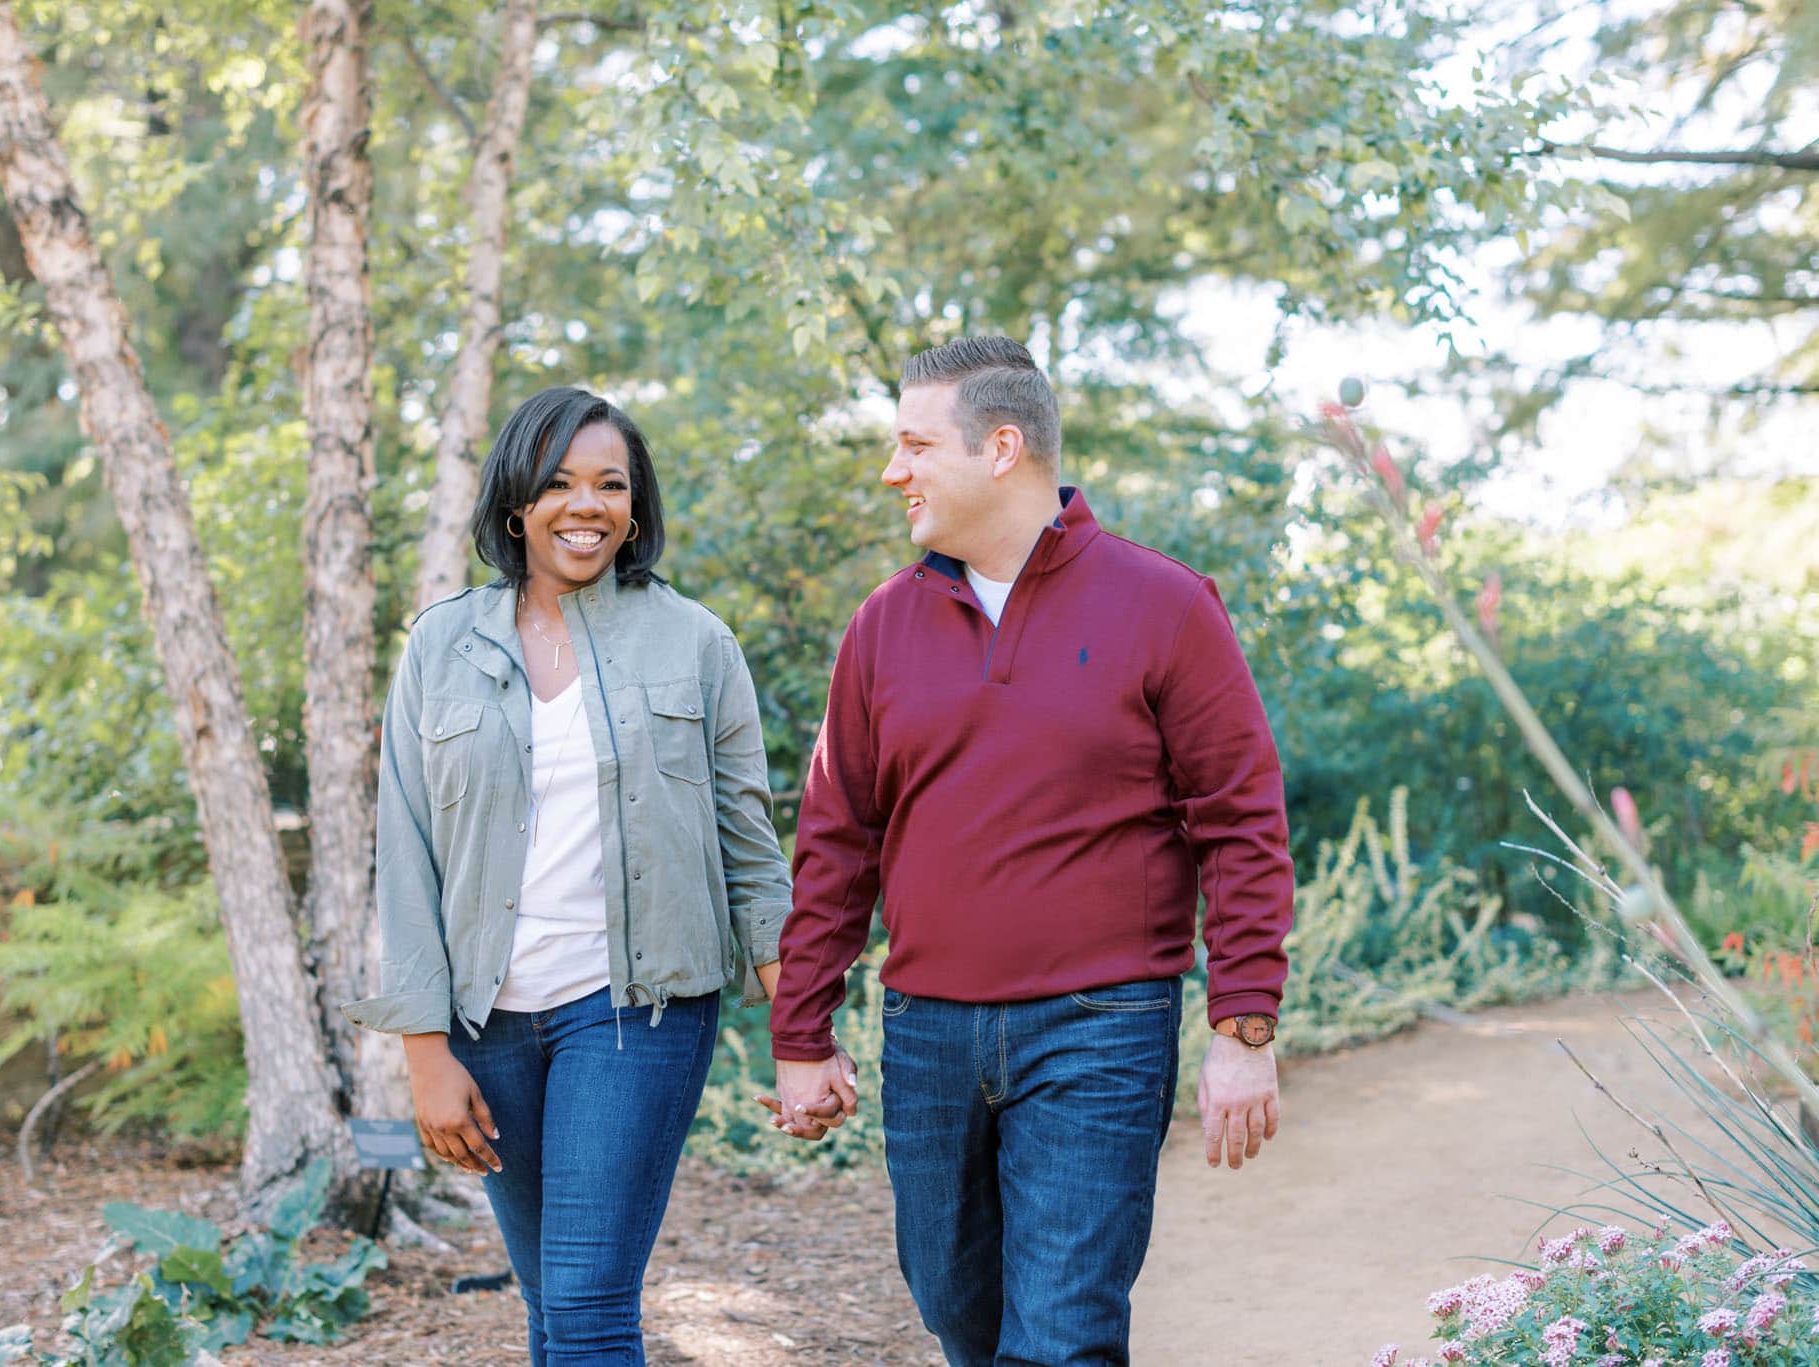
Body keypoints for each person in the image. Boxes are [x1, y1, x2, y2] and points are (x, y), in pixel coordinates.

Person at [763, 337, 1294, 1366]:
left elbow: (1238, 817)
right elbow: (837, 837)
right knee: (954, 1307)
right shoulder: (881, 625)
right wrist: (801, 1032)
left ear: (1001, 446)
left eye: (914, 444)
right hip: (927, 1034)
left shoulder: (1165, 603)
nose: (892, 470)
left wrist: (1242, 1025)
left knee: (1059, 1335)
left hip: (1101, 1025)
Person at [345, 385, 793, 1366]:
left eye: (608, 484)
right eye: (557, 482)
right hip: (484, 1021)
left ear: (635, 508)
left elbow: (750, 849)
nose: (583, 504)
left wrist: (795, 1028)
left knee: (588, 1306)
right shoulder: (440, 645)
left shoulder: (695, 642)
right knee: (551, 1308)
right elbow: (406, 852)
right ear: (516, 503)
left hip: (633, 1009)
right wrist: (423, 1052)